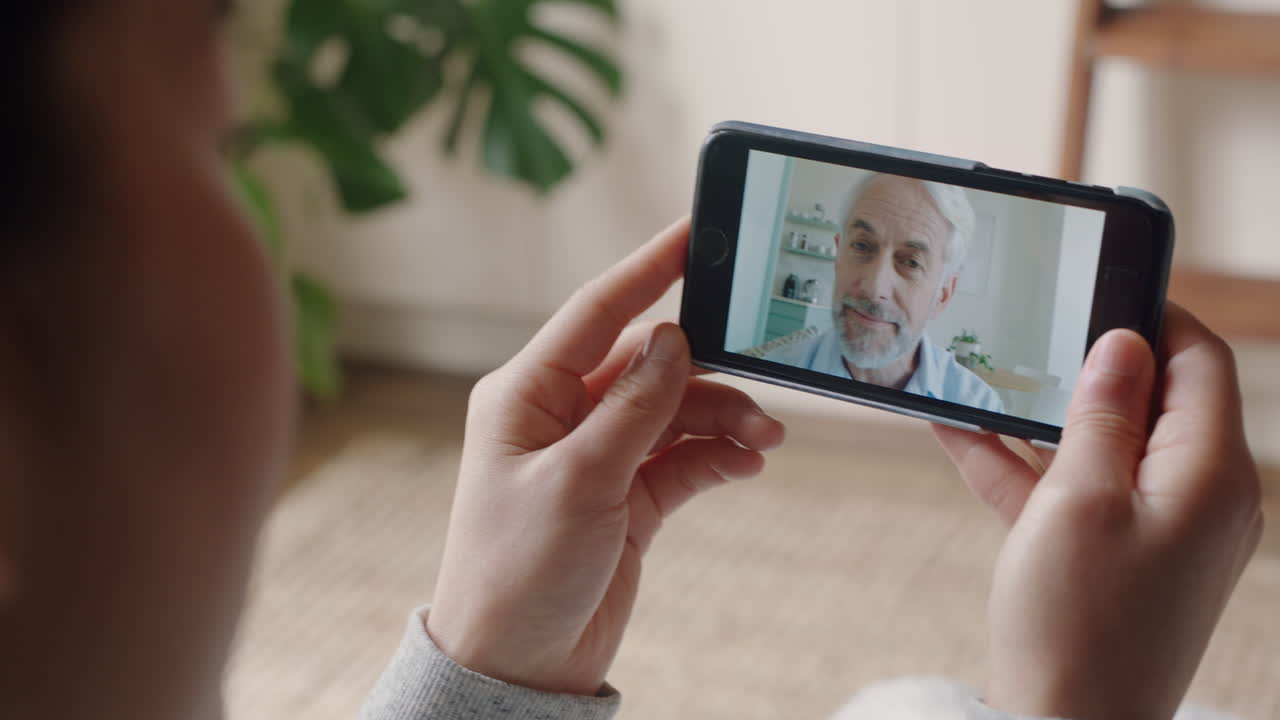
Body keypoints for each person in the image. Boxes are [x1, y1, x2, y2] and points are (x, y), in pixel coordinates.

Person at [0, 2, 1262, 719]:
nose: (871, 283)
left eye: (904, 260)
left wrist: (485, 660)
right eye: (215, 138)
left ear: (942, 287)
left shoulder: (998, 399)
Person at [766, 173, 1004, 413]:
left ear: (943, 295)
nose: (874, 288)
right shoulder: (769, 380)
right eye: (862, 246)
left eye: (911, 262)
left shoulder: (978, 411)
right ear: (838, 258)